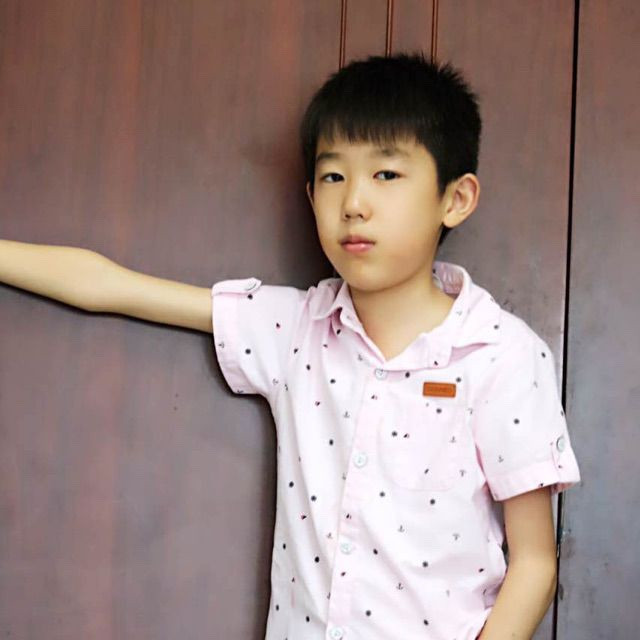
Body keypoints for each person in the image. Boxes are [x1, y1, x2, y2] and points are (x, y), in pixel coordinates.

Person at [0, 52, 580, 640]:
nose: (353, 203)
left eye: (386, 174)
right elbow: (112, 287)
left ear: (455, 198)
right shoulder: (297, 329)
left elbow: (534, 564)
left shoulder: (501, 355)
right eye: (333, 177)